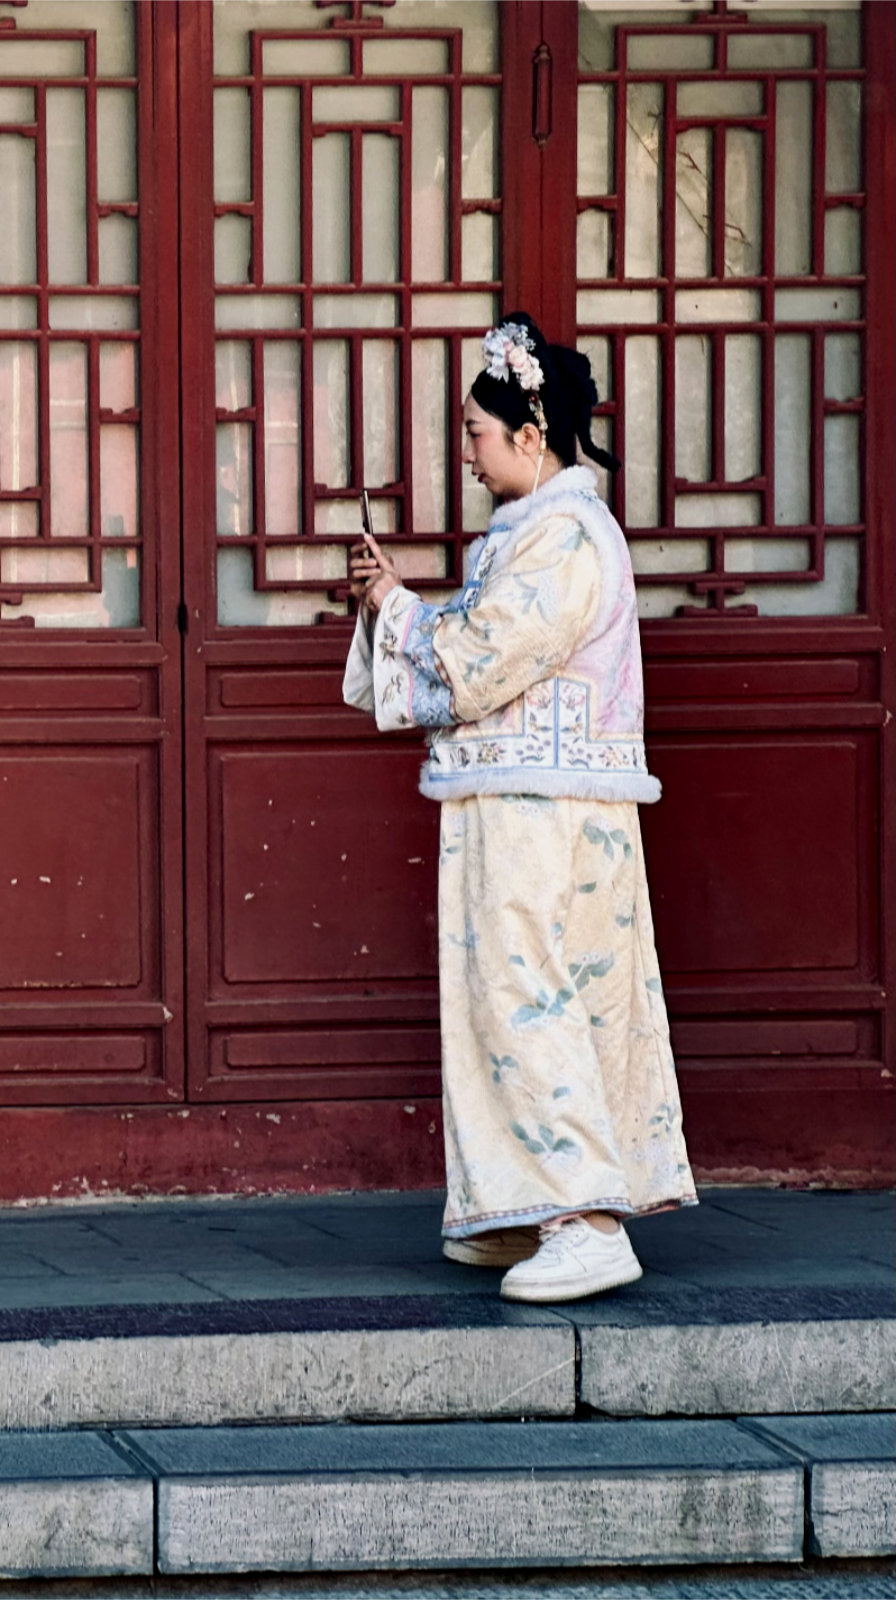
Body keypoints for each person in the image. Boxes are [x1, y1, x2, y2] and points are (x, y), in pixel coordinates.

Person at [343, 314, 696, 1304]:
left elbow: (488, 654)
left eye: (477, 432)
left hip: (547, 810)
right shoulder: (536, 533)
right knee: (527, 997)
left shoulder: (566, 537)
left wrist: (402, 610)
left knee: (532, 997)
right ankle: (529, 1206)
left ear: (532, 431)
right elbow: (475, 633)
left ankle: (583, 1217)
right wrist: (398, 605)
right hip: (530, 799)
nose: (468, 451)